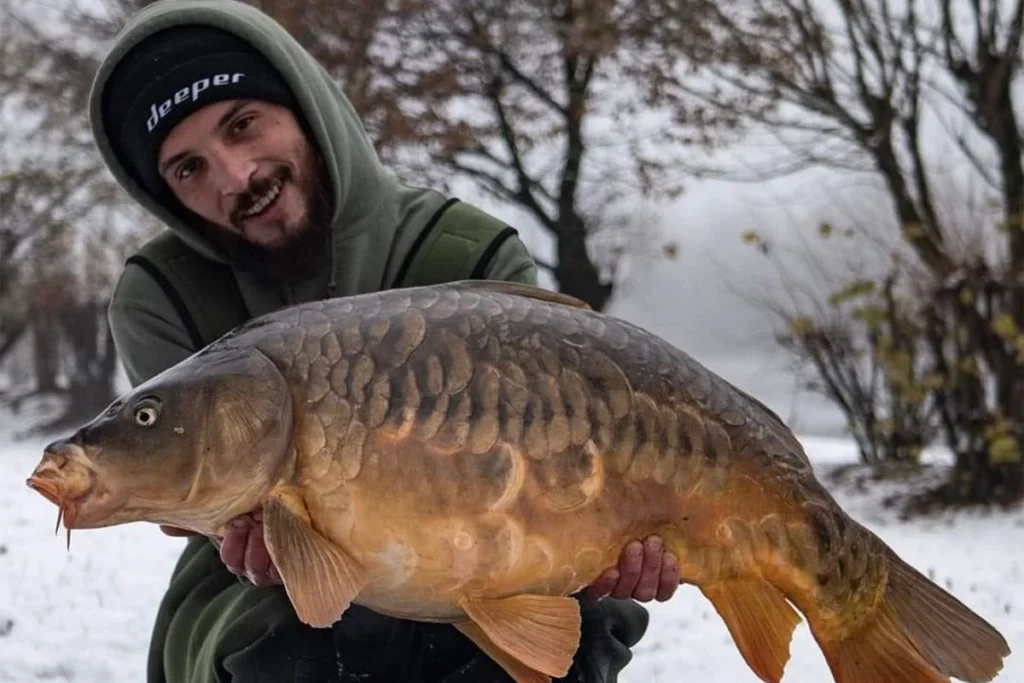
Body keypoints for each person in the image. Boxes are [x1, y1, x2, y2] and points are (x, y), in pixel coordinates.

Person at [87, 0, 678, 681]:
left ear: (306, 108)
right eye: (188, 168)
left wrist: (622, 534)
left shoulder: (470, 250)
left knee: (575, 623)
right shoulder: (158, 291)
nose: (236, 175)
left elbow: (569, 467)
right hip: (249, 580)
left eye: (243, 125)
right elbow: (205, 499)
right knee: (298, 630)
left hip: (486, 541)